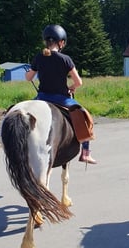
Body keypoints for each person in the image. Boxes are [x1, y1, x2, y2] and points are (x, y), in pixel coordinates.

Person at [25, 24, 97, 164]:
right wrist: (72, 87)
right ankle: (86, 154)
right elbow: (79, 82)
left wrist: (29, 72)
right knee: (85, 115)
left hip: (42, 97)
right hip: (61, 99)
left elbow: (29, 78)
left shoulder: (39, 57)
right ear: (61, 42)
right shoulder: (65, 59)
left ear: (45, 41)